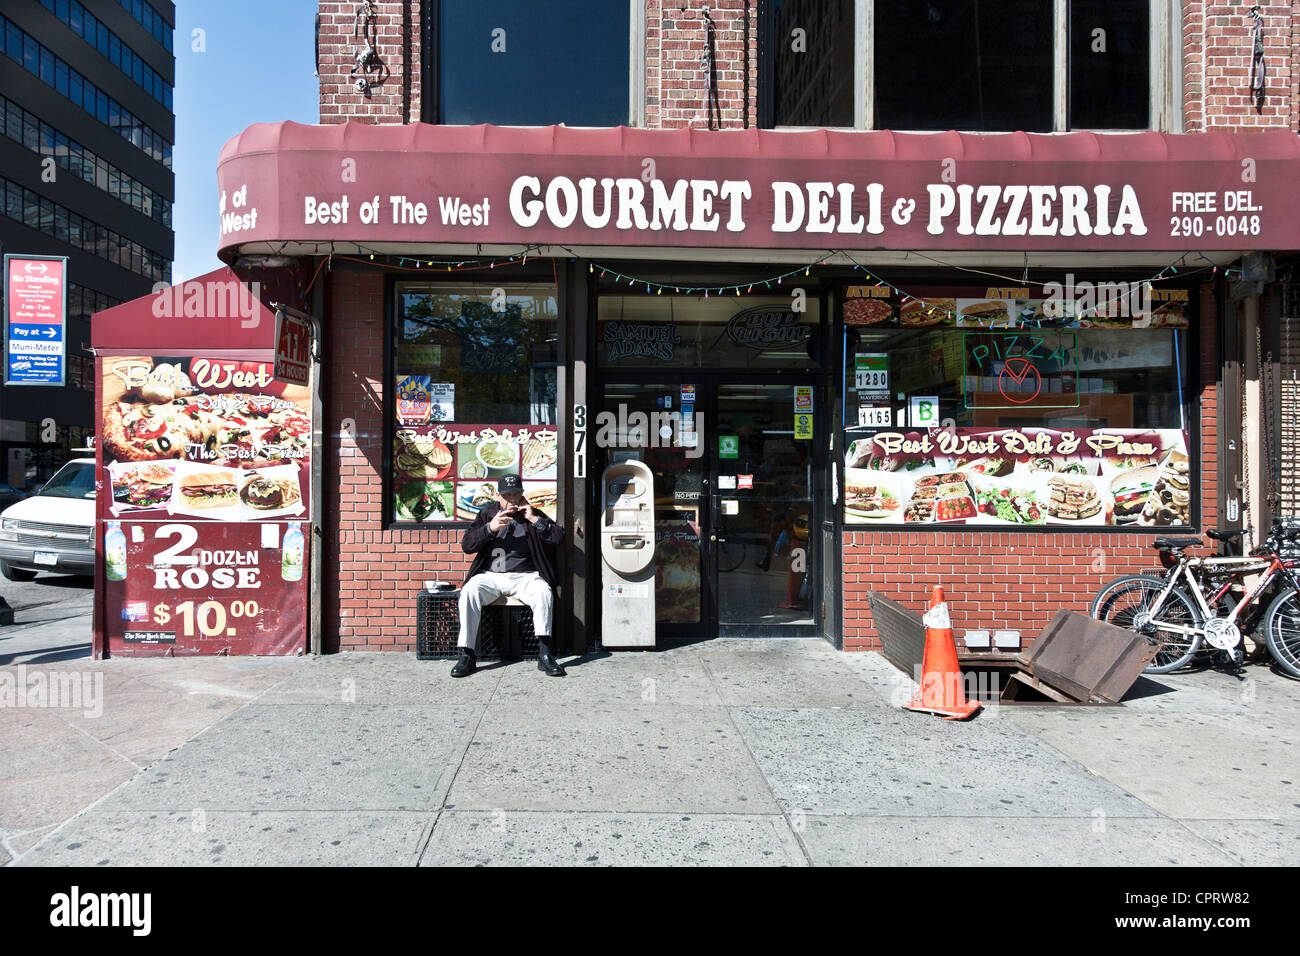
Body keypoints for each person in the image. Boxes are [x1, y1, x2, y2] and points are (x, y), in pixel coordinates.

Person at [453, 473, 566, 677]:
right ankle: (467, 655)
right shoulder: (487, 514)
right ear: (498, 496)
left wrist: (534, 519)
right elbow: (467, 545)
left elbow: (558, 538)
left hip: (525, 576)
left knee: (543, 592)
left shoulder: (531, 514)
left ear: (522, 495)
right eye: (507, 496)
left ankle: (545, 654)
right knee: (469, 591)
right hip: (490, 575)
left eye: (516, 495)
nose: (512, 500)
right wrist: (489, 529)